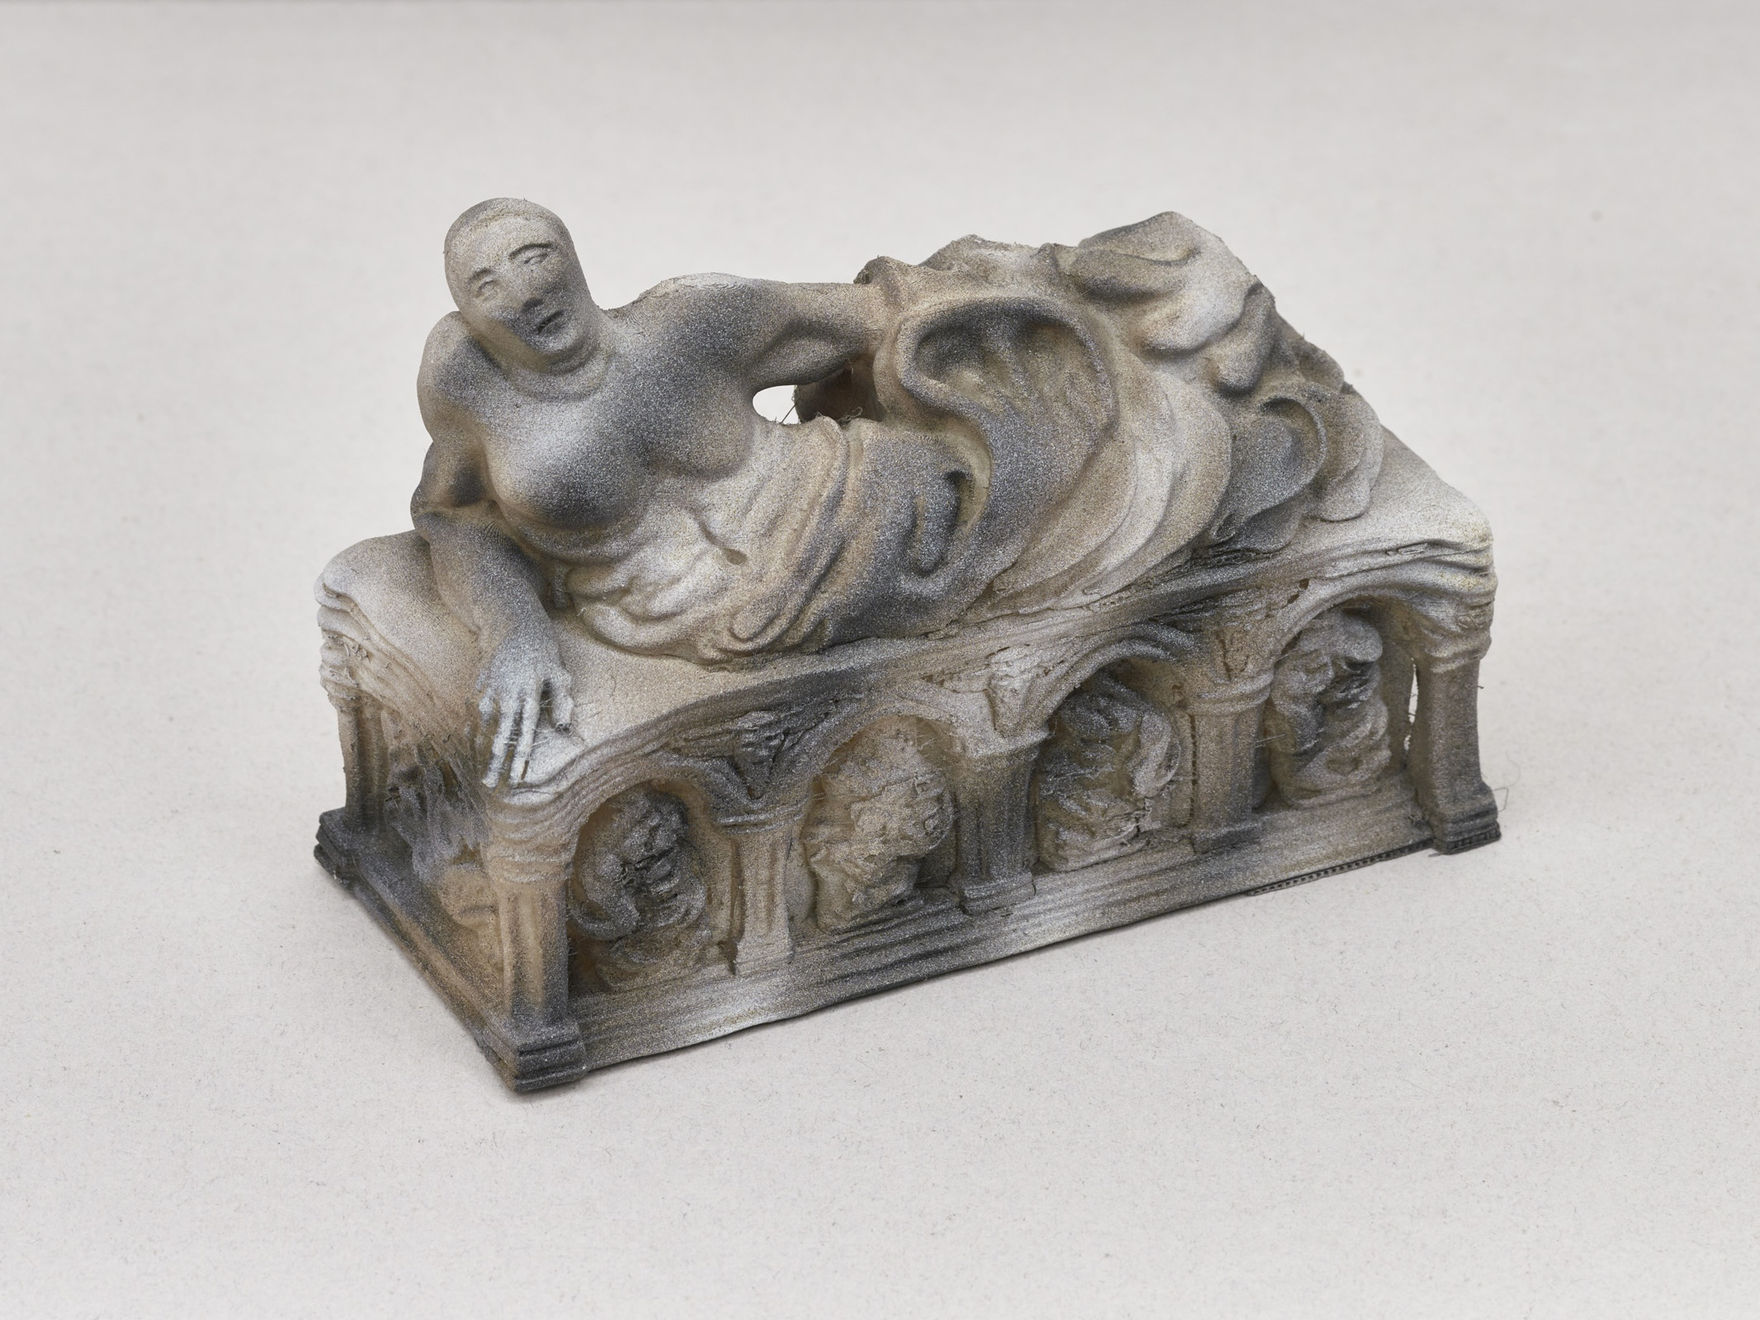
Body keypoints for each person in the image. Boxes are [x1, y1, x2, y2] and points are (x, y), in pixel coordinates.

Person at [413, 199, 892, 787]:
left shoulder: (687, 321)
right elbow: (451, 517)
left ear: (573, 259)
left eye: (535, 258)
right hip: (684, 610)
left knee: (990, 499)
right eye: (487, 286)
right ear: (470, 320)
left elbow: (883, 315)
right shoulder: (469, 387)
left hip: (856, 507)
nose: (525, 294)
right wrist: (514, 629)